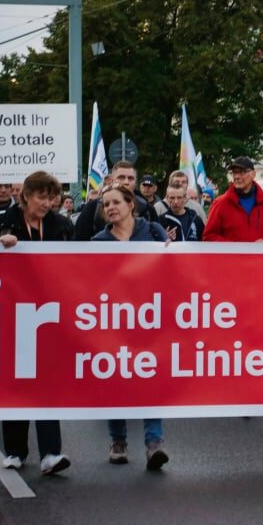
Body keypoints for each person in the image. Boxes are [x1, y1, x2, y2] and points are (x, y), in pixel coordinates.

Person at [0, 170, 74, 476]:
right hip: (13, 315)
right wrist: (0, 245)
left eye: (52, 197)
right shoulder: (3, 223)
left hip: (50, 315)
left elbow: (82, 262)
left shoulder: (62, 225)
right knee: (17, 382)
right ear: (25, 196)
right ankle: (15, 450)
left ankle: (51, 452)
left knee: (47, 383)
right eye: (41, 196)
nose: (47, 203)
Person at [89, 183, 171, 469]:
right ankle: (119, 440)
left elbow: (172, 265)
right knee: (116, 379)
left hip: (149, 318)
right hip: (113, 320)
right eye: (106, 204)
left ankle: (154, 442)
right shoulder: (99, 241)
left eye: (115, 202)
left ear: (130, 205)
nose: (110, 207)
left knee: (150, 377)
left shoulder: (153, 231)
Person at [203, 157, 263, 243]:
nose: (237, 176)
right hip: (232, 256)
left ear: (253, 174)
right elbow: (208, 236)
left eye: (242, 172)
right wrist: (231, 247)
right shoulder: (220, 204)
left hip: (261, 256)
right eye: (234, 172)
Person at [73, 161, 158, 240]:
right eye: (121, 177)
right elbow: (79, 243)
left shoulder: (148, 210)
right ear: (111, 180)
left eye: (130, 178)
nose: (126, 182)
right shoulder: (92, 208)